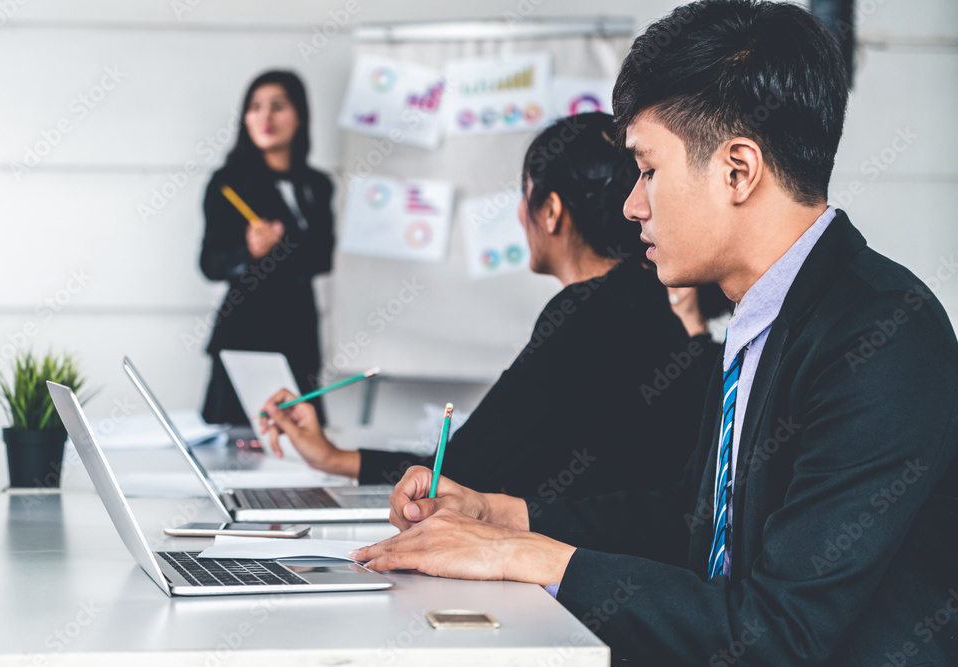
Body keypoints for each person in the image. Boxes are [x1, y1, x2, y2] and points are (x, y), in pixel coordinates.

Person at [349, 2, 958, 665]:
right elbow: (690, 523)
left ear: (738, 171)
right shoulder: (762, 317)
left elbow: (781, 633)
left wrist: (524, 556)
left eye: (647, 169)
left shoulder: (882, 338)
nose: (632, 205)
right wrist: (507, 516)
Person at [261, 112, 710, 501]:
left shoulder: (586, 316)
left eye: (525, 195)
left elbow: (457, 471)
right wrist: (334, 458)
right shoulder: (642, 298)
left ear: (551, 211)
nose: (519, 215)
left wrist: (334, 458)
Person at [200, 70, 334, 426]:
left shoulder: (317, 185)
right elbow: (210, 264)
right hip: (246, 334)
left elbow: (323, 258)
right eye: (255, 107)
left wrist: (284, 246)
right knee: (237, 444)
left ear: (300, 116)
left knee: (305, 443)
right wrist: (248, 253)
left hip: (300, 334)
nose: (266, 118)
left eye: (278, 106)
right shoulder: (228, 183)